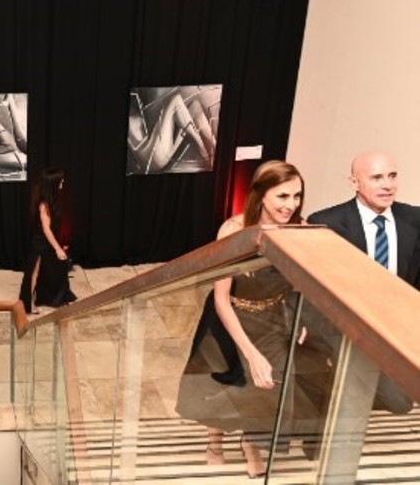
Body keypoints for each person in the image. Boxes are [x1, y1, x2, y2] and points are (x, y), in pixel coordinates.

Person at [175, 160, 308, 478]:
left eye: (297, 196)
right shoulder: (233, 230)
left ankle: (251, 442)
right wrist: (250, 353)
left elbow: (301, 283)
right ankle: (215, 444)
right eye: (282, 196)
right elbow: (221, 298)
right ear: (261, 195)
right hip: (229, 316)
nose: (291, 205)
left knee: (266, 386)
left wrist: (301, 318)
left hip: (271, 317)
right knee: (221, 380)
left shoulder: (300, 229)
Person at [305, 152, 420, 417]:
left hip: (396, 330)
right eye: (377, 178)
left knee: (400, 402)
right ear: (354, 183)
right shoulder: (326, 223)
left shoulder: (415, 219)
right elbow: (315, 288)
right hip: (347, 331)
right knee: (352, 399)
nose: (388, 185)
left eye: (392, 176)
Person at [18, 168, 77, 314]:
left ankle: (58, 297)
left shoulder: (55, 198)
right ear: (53, 183)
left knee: (58, 269)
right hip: (41, 243)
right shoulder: (43, 204)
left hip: (52, 241)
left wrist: (62, 244)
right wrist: (57, 248)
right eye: (60, 180)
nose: (63, 182)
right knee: (35, 272)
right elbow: (46, 229)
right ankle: (28, 304)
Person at [126, 86, 219, 174]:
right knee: (175, 100)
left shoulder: (138, 110)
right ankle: (203, 151)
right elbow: (138, 153)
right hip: (152, 158)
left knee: (195, 107)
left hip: (157, 153)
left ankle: (215, 151)